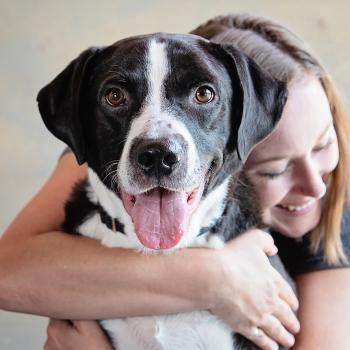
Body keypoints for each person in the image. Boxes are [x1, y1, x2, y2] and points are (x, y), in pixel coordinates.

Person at [1, 13, 349, 350]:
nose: (315, 189)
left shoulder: (337, 212)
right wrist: (216, 276)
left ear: (244, 126)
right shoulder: (97, 162)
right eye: (274, 169)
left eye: (323, 145)